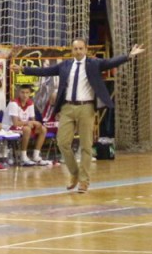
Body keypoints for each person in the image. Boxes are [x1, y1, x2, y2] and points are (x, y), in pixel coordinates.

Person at [19, 39, 144, 193]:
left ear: (85, 50)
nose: (78, 51)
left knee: (86, 145)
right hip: (67, 107)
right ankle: (75, 173)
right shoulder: (65, 65)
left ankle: (84, 181)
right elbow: (46, 71)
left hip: (86, 107)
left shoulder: (94, 63)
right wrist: (24, 69)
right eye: (75, 48)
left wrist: (128, 56)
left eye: (80, 48)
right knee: (62, 142)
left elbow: (110, 62)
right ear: (72, 50)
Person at [5, 85, 49, 166]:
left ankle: (36, 156)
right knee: (27, 129)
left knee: (43, 129)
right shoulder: (13, 103)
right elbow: (15, 123)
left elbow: (32, 120)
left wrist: (36, 124)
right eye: (22, 92)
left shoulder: (30, 103)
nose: (25, 95)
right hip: (8, 127)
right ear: (18, 93)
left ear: (30, 94)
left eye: (27, 93)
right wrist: (29, 123)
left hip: (22, 125)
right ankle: (23, 157)